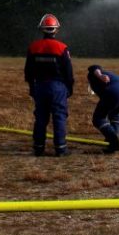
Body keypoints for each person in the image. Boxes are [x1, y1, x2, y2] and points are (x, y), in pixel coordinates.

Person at [24, 14, 74, 157]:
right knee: (59, 117)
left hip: (40, 86)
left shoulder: (33, 47)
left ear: (42, 29)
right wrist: (69, 88)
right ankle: (61, 149)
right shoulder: (62, 47)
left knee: (40, 118)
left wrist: (32, 87)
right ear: (56, 30)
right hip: (58, 87)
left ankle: (38, 148)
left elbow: (28, 71)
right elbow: (68, 72)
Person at [87, 64, 119, 154]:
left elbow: (94, 67)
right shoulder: (109, 74)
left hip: (115, 91)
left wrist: (99, 75)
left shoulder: (93, 76)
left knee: (98, 119)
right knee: (115, 113)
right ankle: (115, 136)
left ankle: (113, 141)